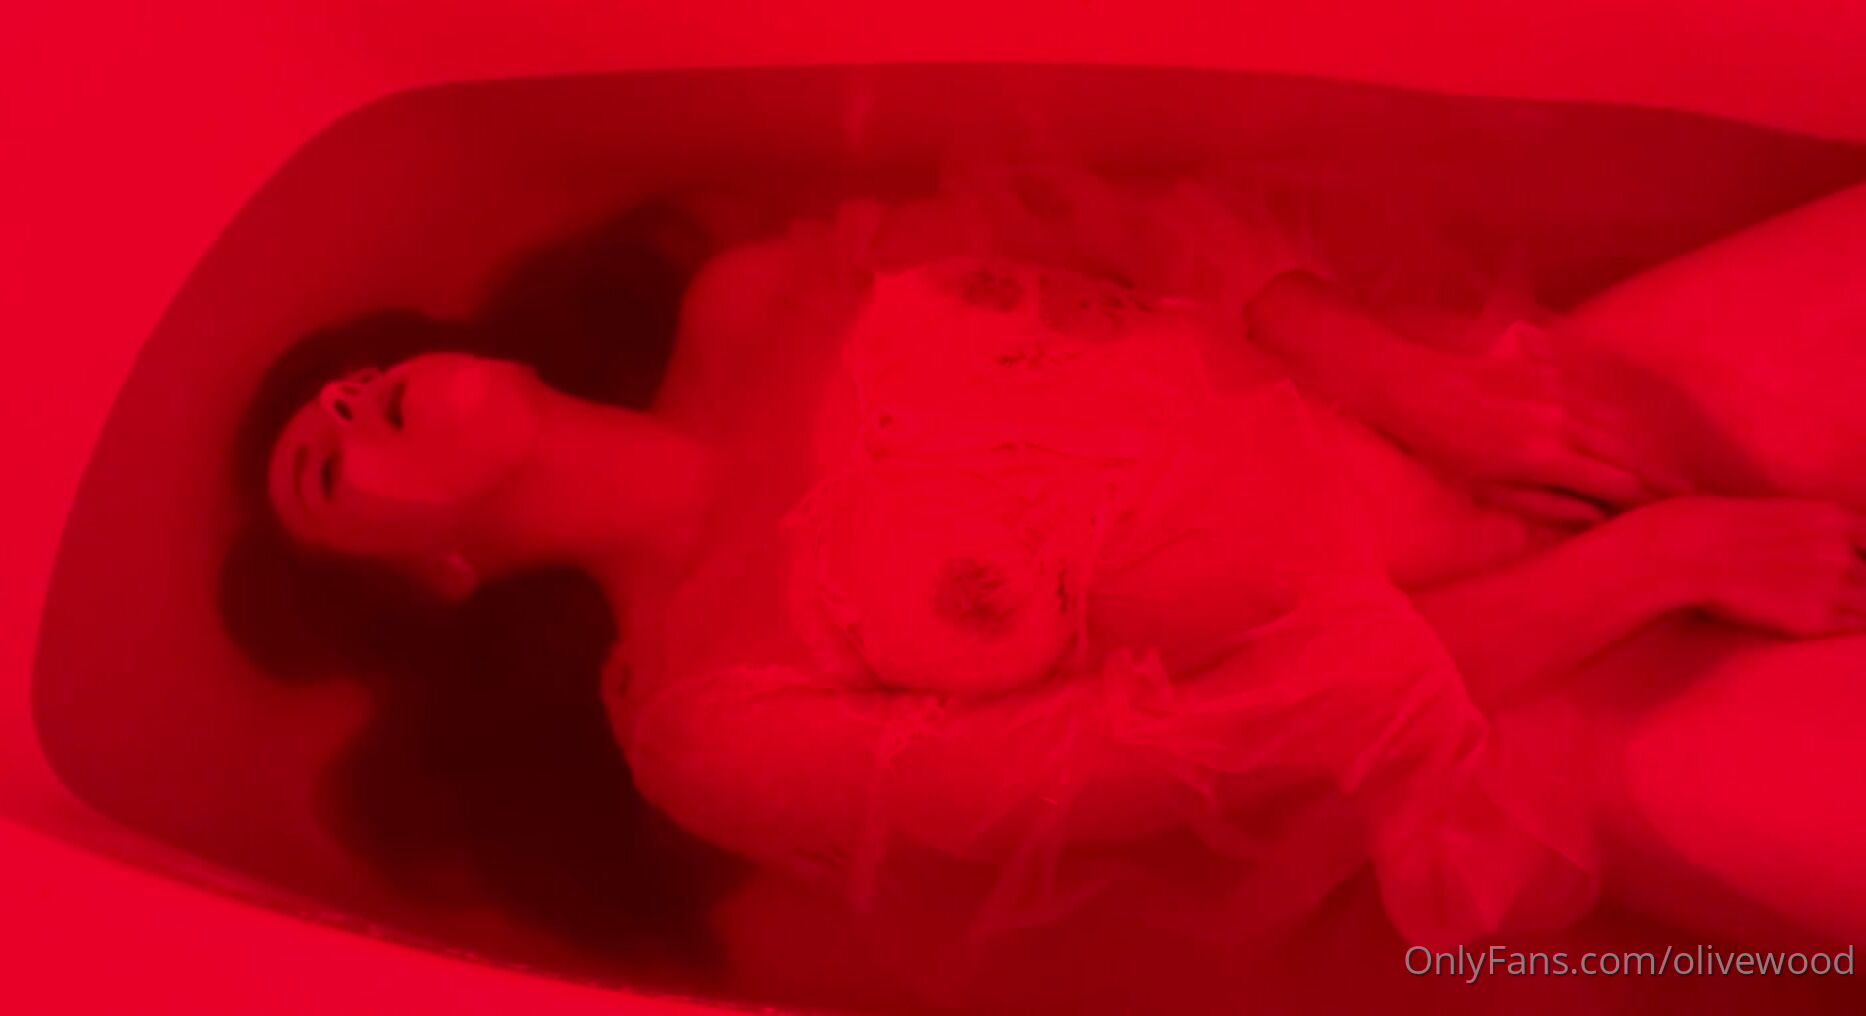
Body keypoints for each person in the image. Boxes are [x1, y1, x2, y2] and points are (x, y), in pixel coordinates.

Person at [232, 164, 1866, 1010]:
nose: (344, 402)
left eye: (344, 381)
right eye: (322, 463)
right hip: (1546, 708)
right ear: (438, 578)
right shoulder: (709, 723)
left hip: (1524, 402)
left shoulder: (755, 291)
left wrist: (1413, 383)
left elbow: (1145, 245)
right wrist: (1657, 561)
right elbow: (1216, 745)